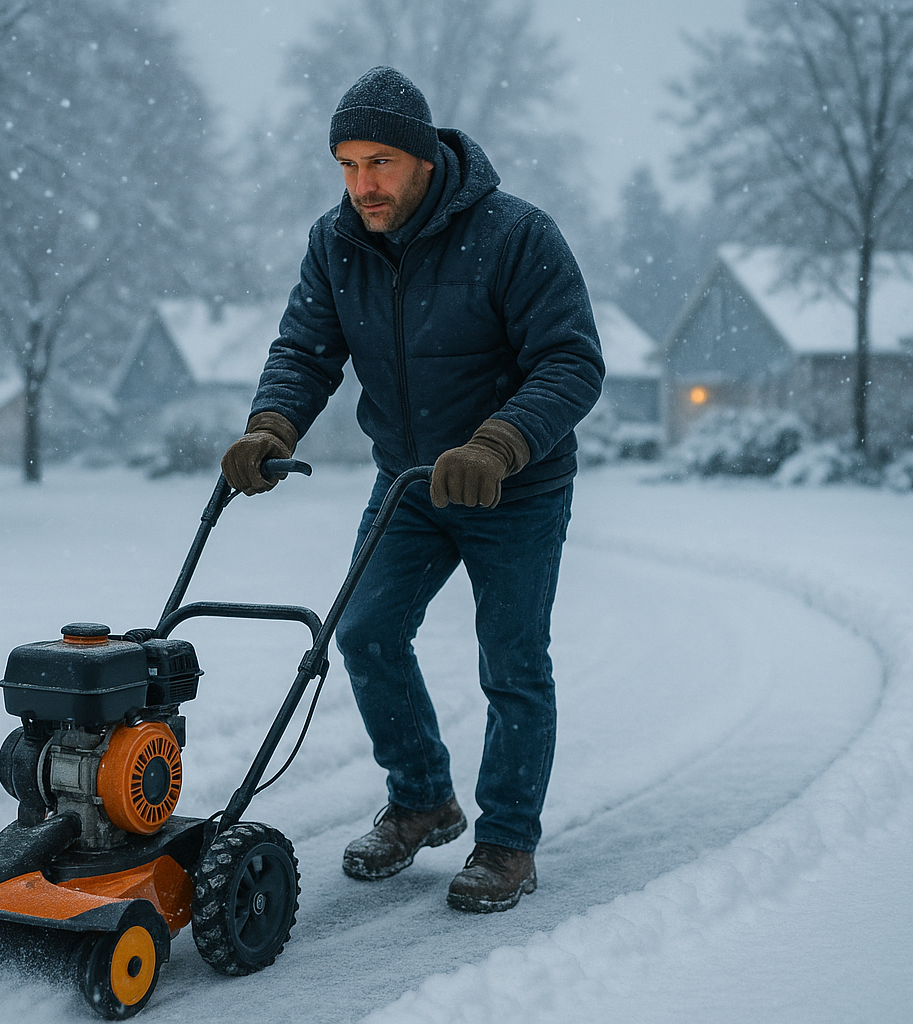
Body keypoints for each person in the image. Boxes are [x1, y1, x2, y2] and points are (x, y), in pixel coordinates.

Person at [222, 66, 603, 913]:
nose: (363, 185)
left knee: (511, 662)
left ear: (426, 157)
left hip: (516, 487)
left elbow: (571, 361)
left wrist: (501, 440)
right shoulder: (337, 242)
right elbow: (305, 348)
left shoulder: (514, 236)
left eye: (380, 163)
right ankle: (423, 797)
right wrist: (271, 426)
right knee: (363, 633)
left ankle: (506, 842)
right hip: (409, 483)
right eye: (348, 165)